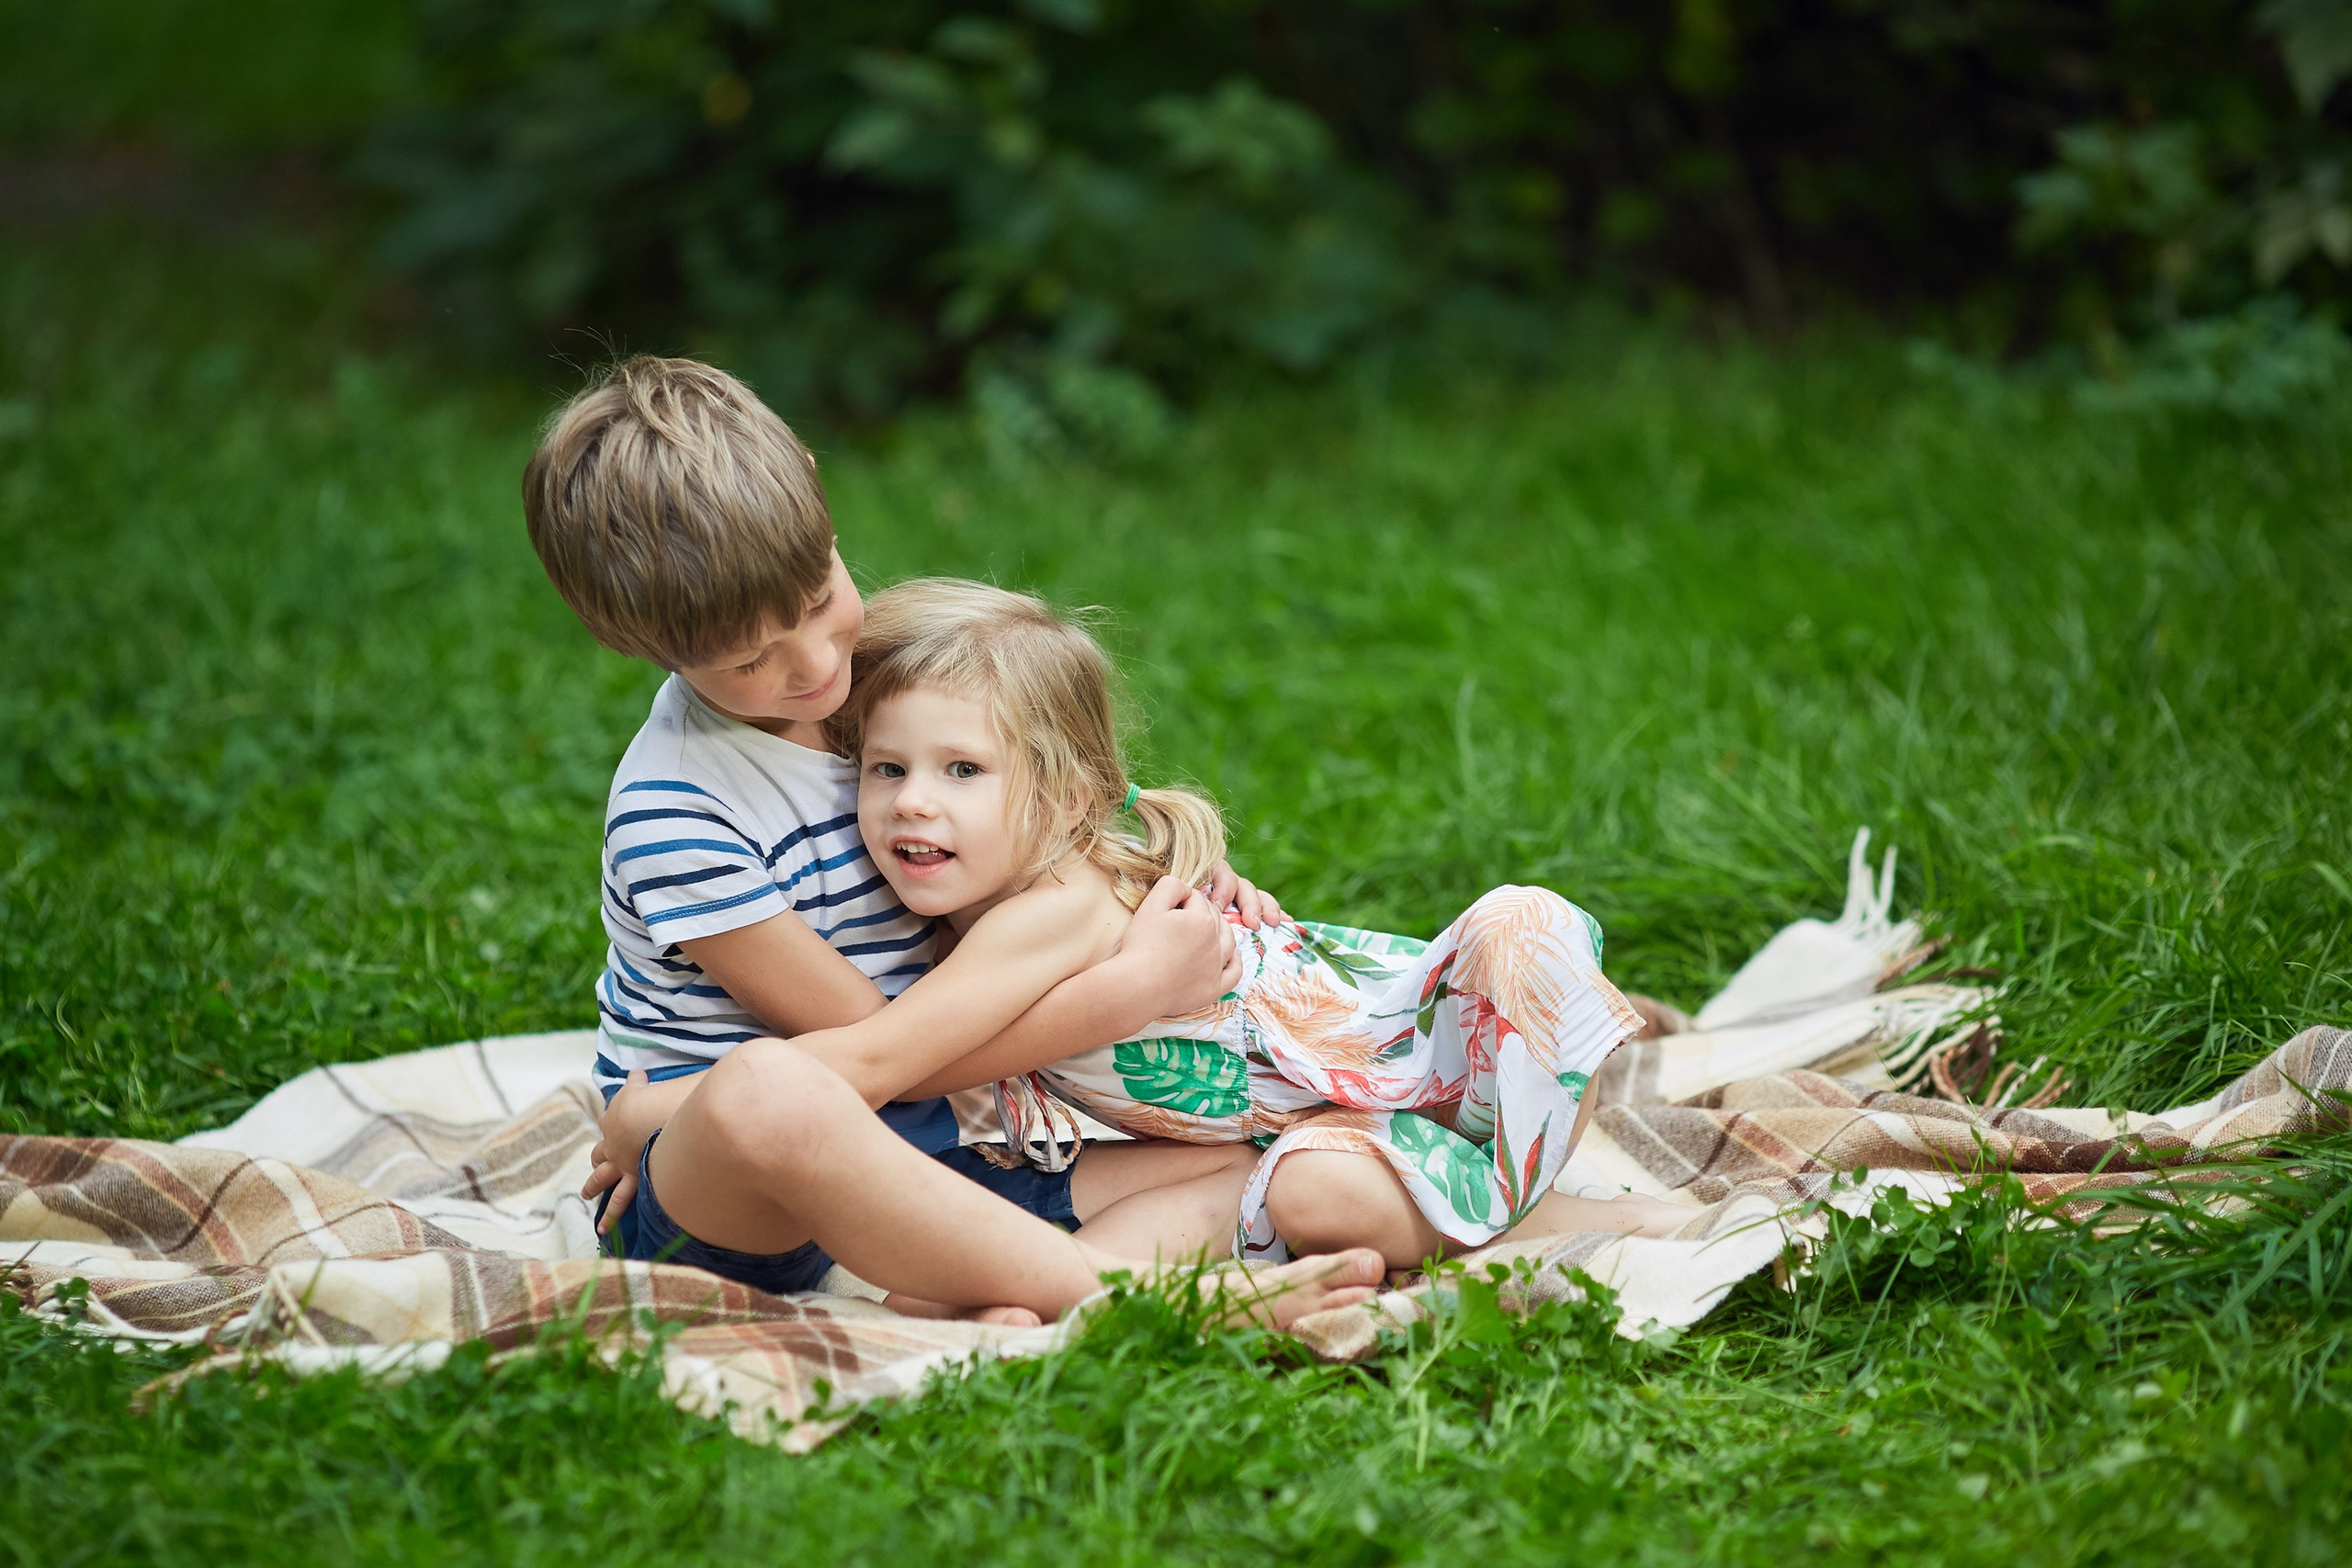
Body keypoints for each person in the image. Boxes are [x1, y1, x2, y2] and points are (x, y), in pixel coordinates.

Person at [525, 355, 1378, 1325]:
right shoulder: (676, 813)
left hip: (924, 1144)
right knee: (766, 1090)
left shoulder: (863, 674)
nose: (812, 668)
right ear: (627, 638)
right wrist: (1126, 993)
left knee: (1232, 1166)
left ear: (813, 485)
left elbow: (1037, 778)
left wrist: (1175, 870)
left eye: (815, 603)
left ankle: (978, 1287)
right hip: (737, 1199)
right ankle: (1133, 1303)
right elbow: (886, 1056)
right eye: (748, 659)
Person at [819, 579, 1691, 1275]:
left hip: (1448, 1075)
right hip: (1344, 1128)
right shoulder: (993, 899)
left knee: (1511, 938)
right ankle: (1559, 1154)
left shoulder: (1047, 910)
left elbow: (907, 1064)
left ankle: (1568, 1204)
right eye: (887, 767)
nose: (913, 801)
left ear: (1068, 795)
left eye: (962, 768)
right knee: (1310, 1199)